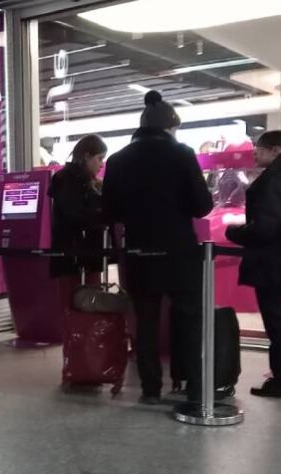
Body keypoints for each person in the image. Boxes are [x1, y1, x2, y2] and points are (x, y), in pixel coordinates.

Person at [102, 90, 213, 405]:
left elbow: (110, 211)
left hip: (140, 252)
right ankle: (193, 386)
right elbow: (202, 206)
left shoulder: (117, 160)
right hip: (179, 252)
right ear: (170, 127)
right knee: (189, 320)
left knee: (146, 323)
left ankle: (150, 388)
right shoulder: (182, 154)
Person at [226, 130, 281, 399]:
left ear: (276, 151)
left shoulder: (272, 182)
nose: (255, 152)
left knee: (277, 324)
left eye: (261, 148)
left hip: (273, 263)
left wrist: (234, 232)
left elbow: (265, 228)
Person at [50, 135, 108, 296]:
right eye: (99, 158)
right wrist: (102, 215)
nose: (101, 164)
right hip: (75, 256)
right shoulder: (68, 180)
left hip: (84, 255)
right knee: (78, 298)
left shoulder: (81, 180)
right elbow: (75, 214)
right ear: (87, 156)